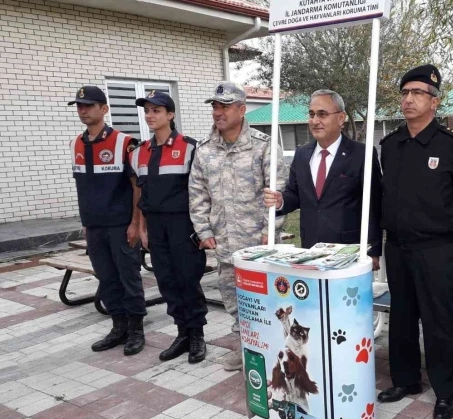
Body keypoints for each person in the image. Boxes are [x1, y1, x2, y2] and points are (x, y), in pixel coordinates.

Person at [377, 65, 453, 419]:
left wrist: (442, 227)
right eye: (404, 94)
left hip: (435, 250)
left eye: (417, 94)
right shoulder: (390, 146)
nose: (408, 100)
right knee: (401, 317)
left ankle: (445, 392)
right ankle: (406, 381)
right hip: (398, 248)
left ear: (434, 101)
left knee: (439, 321)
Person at [189, 82, 286, 371]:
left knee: (266, 301)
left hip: (259, 245)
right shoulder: (204, 151)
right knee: (234, 300)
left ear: (242, 110)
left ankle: (273, 351)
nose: (218, 112)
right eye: (215, 107)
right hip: (225, 244)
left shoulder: (263, 146)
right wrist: (204, 232)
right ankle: (246, 349)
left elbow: (278, 192)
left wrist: (272, 230)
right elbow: (197, 194)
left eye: (225, 106)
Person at [130, 91, 208, 364]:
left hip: (183, 224)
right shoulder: (139, 152)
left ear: (170, 115)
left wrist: (203, 227)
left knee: (188, 279)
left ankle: (197, 334)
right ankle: (182, 333)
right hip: (156, 226)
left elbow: (202, 191)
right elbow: (139, 194)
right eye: (147, 111)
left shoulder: (190, 147)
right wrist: (141, 227)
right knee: (166, 281)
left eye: (157, 111)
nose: (150, 116)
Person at [262, 90, 382, 266]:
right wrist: (281, 201)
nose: (315, 121)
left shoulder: (362, 154)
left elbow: (374, 205)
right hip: (310, 250)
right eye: (311, 114)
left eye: (322, 114)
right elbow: (294, 195)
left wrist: (373, 252)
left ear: (341, 118)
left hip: (349, 254)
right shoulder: (302, 154)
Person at [69, 85, 146, 355]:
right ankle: (119, 327)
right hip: (94, 227)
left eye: (89, 106)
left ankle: (136, 329)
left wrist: (136, 223)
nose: (83, 110)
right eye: (79, 106)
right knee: (106, 278)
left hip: (121, 225)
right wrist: (86, 223)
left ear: (104, 109)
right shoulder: (76, 143)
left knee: (129, 278)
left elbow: (138, 186)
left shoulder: (125, 143)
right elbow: (85, 187)